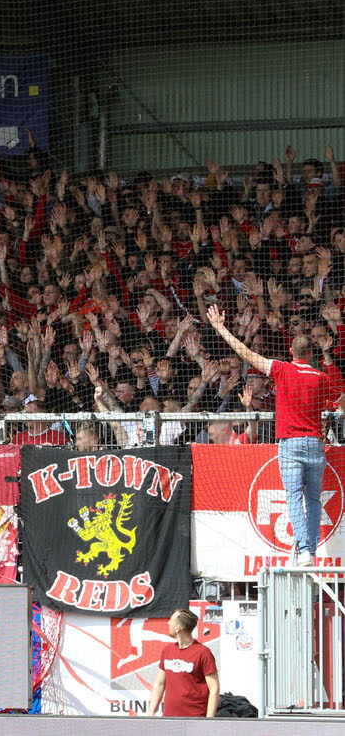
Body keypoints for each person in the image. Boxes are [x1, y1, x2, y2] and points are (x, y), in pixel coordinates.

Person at [207, 304, 344, 566]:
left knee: (293, 497)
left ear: (291, 352)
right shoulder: (321, 377)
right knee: (313, 500)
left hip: (290, 445)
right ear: (311, 353)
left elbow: (246, 354)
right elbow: (341, 399)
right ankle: (310, 551)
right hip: (316, 445)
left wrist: (220, 328)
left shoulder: (282, 369)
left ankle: (304, 550)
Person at [146, 608, 218, 717]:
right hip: (169, 719)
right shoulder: (167, 650)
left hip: (195, 719)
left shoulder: (203, 653)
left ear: (177, 628)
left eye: (171, 620)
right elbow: (160, 684)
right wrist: (151, 712)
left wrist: (208, 721)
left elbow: (214, 689)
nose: (168, 623)